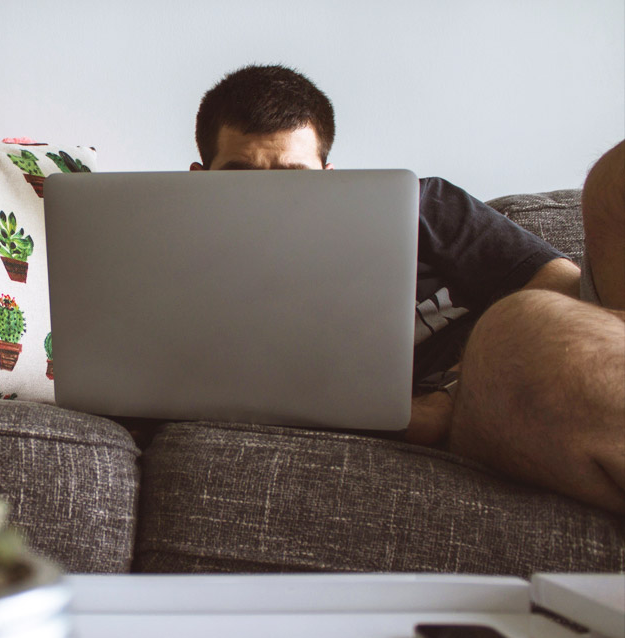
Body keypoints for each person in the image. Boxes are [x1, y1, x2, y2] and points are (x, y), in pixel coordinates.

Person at [191, 64, 624, 513]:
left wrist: (445, 400)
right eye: (240, 177)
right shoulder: (179, 275)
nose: (269, 205)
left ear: (329, 174)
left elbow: (561, 282)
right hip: (499, 405)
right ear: (199, 181)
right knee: (514, 331)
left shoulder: (419, 205)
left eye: (294, 177)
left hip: (510, 370)